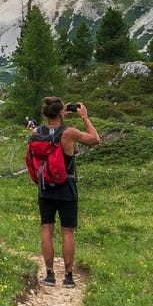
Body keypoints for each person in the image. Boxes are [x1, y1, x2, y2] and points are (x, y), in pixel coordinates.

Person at [27, 96, 100, 287]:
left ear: (45, 113)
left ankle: (49, 275)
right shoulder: (69, 133)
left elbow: (46, 136)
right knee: (67, 231)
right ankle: (68, 277)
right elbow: (95, 139)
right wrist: (84, 117)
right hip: (66, 187)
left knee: (46, 228)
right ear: (61, 112)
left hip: (45, 187)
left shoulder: (36, 132)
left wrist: (59, 115)